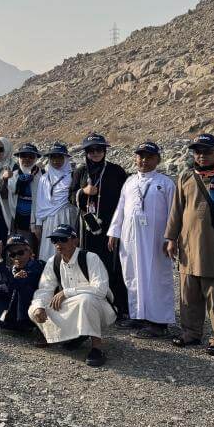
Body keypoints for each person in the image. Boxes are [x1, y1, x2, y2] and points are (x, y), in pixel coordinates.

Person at [164, 133, 214, 357]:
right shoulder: (186, 176)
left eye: (207, 151)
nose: (201, 155)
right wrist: (170, 238)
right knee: (188, 293)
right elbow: (176, 210)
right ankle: (190, 333)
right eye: (197, 151)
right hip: (188, 245)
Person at [105, 142, 175, 338]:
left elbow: (173, 213)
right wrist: (114, 232)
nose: (144, 161)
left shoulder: (165, 183)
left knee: (156, 277)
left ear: (157, 160)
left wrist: (171, 238)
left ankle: (158, 322)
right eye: (140, 156)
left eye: (149, 157)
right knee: (132, 275)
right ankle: (138, 315)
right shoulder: (129, 182)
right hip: (130, 237)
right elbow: (121, 208)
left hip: (155, 240)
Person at [29, 225, 115, 367]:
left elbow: (100, 290)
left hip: (100, 307)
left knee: (86, 300)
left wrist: (67, 292)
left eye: (63, 239)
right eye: (55, 240)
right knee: (33, 308)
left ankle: (96, 348)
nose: (58, 244)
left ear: (75, 240)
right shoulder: (53, 261)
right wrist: (39, 307)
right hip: (74, 305)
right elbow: (45, 289)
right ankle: (75, 334)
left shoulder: (90, 258)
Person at [71, 133, 130, 323]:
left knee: (111, 265)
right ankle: (90, 305)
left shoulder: (116, 171)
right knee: (88, 264)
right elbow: (71, 196)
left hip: (109, 226)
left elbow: (125, 199)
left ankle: (117, 307)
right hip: (87, 226)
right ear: (86, 152)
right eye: (91, 150)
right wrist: (84, 192)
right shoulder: (81, 172)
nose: (95, 153)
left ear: (105, 151)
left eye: (99, 149)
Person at [0, 235, 44, 334]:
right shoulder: (12, 270)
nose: (17, 257)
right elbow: (6, 283)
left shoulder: (37, 266)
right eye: (12, 255)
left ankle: (28, 326)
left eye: (20, 252)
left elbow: (16, 284)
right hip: (14, 315)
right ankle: (4, 321)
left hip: (37, 311)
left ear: (30, 252)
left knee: (20, 286)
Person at [31, 142, 76, 262]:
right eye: (53, 157)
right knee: (49, 251)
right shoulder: (44, 178)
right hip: (49, 221)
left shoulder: (72, 177)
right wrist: (38, 224)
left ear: (65, 159)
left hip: (66, 216)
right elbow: (40, 202)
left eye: (60, 157)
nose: (56, 160)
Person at [1, 143, 42, 252]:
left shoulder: (42, 176)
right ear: (19, 158)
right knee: (16, 250)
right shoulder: (13, 175)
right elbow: (3, 196)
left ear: (36, 158)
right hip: (17, 222)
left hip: (36, 223)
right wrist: (4, 180)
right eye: (23, 156)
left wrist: (39, 223)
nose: (27, 159)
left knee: (32, 251)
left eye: (31, 156)